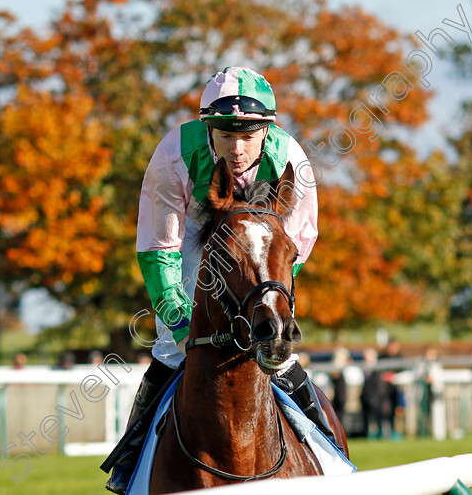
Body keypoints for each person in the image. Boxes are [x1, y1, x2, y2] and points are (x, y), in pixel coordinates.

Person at [106, 67, 321, 494]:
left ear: (266, 131)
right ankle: (128, 462)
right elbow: (158, 249)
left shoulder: (291, 159)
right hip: (190, 238)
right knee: (171, 347)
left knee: (279, 350)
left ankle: (329, 445)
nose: (236, 149)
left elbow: (296, 241)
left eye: (247, 135)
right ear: (208, 128)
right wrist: (181, 321)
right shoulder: (173, 154)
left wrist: (266, 301)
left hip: (264, 244)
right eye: (224, 135)